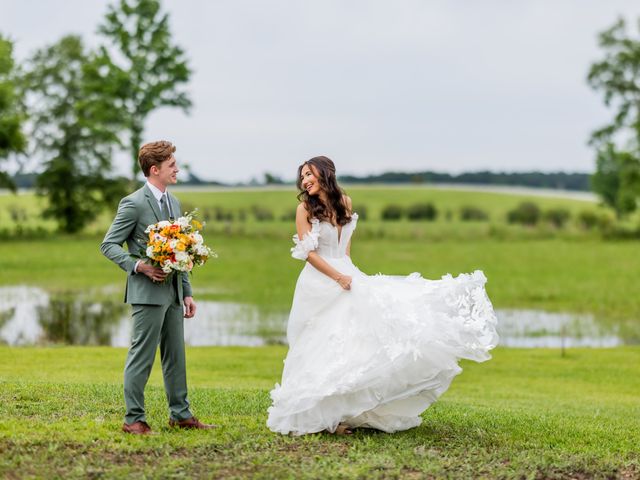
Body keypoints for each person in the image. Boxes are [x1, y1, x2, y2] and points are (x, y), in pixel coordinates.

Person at [267, 156, 499, 436]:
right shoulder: (304, 208)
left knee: (354, 341)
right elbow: (309, 254)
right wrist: (338, 277)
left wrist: (351, 274)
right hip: (319, 281)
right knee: (319, 342)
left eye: (309, 174)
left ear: (325, 172)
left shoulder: (346, 202)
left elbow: (346, 248)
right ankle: (320, 416)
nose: (305, 180)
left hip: (347, 273)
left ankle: (346, 412)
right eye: (302, 176)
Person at [101, 140, 215, 434]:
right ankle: (133, 419)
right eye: (172, 165)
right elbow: (109, 244)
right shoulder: (133, 203)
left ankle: (181, 414)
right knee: (141, 356)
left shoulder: (174, 203)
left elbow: (182, 252)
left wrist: (187, 292)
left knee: (175, 356)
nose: (177, 168)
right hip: (147, 294)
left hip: (174, 293)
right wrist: (139, 266)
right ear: (155, 169)